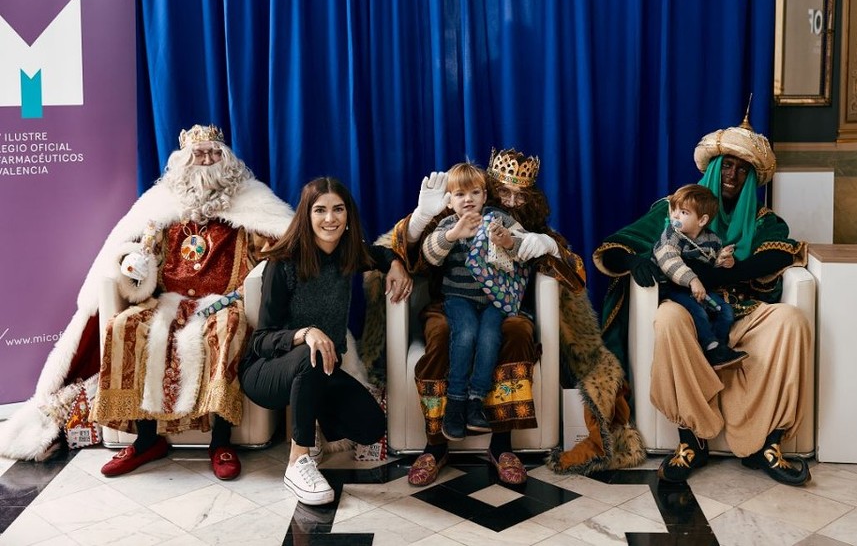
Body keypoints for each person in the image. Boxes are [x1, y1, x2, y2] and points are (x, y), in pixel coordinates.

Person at [0, 124, 296, 478]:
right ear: (183, 162)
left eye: (213, 154)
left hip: (222, 302)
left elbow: (276, 245)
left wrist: (267, 259)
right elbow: (142, 252)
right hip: (167, 300)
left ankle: (221, 441)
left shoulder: (251, 201)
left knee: (227, 327)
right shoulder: (161, 205)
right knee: (125, 325)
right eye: (198, 155)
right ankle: (146, 440)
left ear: (227, 160)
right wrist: (133, 264)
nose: (206, 161)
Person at [360, 149, 645, 488]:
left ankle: (501, 444)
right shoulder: (452, 215)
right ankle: (435, 444)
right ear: (491, 190)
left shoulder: (516, 223)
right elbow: (410, 251)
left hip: (506, 306)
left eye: (519, 195)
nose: (510, 201)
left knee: (517, 332)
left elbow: (571, 271)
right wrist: (422, 218)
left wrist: (548, 246)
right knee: (442, 334)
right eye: (504, 193)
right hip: (451, 302)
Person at [593, 113, 812, 486]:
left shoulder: (763, 221)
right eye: (727, 165)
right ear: (714, 167)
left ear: (751, 178)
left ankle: (768, 442)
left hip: (740, 313)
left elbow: (778, 253)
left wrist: (716, 275)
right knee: (668, 319)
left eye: (742, 170)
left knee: (791, 321)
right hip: (689, 310)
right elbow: (616, 246)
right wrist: (633, 261)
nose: (732, 175)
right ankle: (691, 438)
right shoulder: (676, 210)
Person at [240, 177, 412, 506]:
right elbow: (262, 340)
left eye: (338, 210)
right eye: (320, 210)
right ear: (306, 215)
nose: (330, 218)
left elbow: (378, 252)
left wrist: (394, 264)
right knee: (312, 353)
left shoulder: (348, 254)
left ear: (348, 216)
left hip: (320, 369)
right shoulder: (283, 262)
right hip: (266, 371)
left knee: (370, 426)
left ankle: (311, 415)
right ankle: (298, 460)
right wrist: (305, 333)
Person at [421, 163, 529, 441]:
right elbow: (430, 255)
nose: (468, 199)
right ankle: (455, 401)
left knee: (490, 336)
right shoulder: (448, 224)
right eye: (460, 194)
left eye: (474, 193)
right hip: (459, 297)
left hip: (495, 299)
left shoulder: (498, 218)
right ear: (449, 201)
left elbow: (526, 245)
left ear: (484, 196)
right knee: (466, 332)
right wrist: (453, 234)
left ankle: (475, 400)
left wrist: (508, 242)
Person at [652, 183, 746, 370]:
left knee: (725, 311)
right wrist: (693, 280)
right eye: (674, 210)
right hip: (673, 287)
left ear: (702, 220)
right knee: (698, 311)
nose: (675, 216)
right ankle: (712, 347)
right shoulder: (671, 235)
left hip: (697, 289)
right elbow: (669, 260)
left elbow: (711, 264)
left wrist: (723, 260)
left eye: (683, 212)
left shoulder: (712, 239)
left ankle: (717, 350)